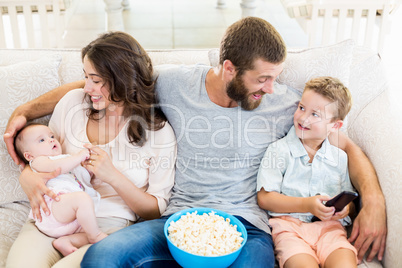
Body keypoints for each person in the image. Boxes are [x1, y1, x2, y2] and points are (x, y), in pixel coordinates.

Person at [3, 17, 386, 267]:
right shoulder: (173, 84)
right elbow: (109, 81)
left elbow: (347, 145)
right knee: (101, 258)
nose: (272, 89)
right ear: (229, 69)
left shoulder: (285, 104)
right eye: (262, 79)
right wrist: (26, 108)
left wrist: (375, 202)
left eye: (276, 77)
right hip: (174, 220)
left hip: (245, 227)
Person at [4, 32, 176, 267]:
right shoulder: (73, 103)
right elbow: (42, 157)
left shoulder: (158, 132)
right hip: (53, 213)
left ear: (122, 79)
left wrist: (112, 176)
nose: (86, 87)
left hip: (107, 225)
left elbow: (155, 209)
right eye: (85, 77)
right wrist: (27, 176)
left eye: (95, 80)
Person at [257, 77, 357, 268]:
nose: (303, 118)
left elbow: (349, 199)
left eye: (315, 115)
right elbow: (265, 198)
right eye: (302, 108)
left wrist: (345, 209)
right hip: (289, 229)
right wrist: (307, 205)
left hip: (330, 231)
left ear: (335, 126)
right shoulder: (279, 151)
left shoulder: (340, 158)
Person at [14, 123, 107, 257]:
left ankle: (66, 241)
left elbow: (79, 176)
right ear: (29, 156)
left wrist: (87, 170)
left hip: (68, 213)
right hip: (54, 207)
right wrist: (79, 156)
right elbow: (57, 168)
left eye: (51, 136)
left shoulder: (64, 159)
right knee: (82, 200)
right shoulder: (39, 162)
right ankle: (95, 236)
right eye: (42, 140)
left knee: (89, 226)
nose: (51, 140)